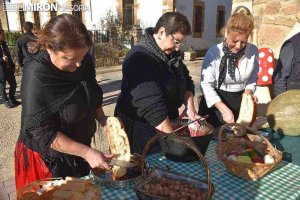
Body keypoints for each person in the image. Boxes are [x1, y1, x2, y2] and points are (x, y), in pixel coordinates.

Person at [14, 14, 111, 190]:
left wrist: (103, 119)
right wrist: (87, 153)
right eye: (70, 59)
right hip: (49, 159)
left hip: (78, 150)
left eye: (82, 58)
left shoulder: (83, 61)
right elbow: (41, 131)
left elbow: (91, 91)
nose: (79, 65)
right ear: (50, 48)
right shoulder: (36, 73)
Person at [114, 12, 198, 155]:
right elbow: (152, 108)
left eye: (181, 43)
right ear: (161, 32)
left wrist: (190, 107)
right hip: (141, 126)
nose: (178, 47)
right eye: (176, 41)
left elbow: (187, 81)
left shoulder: (171, 55)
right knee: (146, 166)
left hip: (164, 123)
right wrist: (173, 141)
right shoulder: (139, 58)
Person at [199, 8, 259, 128]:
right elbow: (206, 85)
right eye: (234, 41)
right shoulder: (214, 53)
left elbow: (253, 77)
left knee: (235, 141)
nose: (238, 46)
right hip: (215, 102)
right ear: (226, 33)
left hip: (239, 103)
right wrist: (223, 109)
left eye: (243, 42)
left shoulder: (252, 51)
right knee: (213, 140)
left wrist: (248, 92)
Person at [0, 28, 20, 108]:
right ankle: (6, 101)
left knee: (13, 84)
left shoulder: (4, 43)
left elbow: (9, 56)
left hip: (8, 68)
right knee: (2, 86)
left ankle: (12, 98)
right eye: (2, 34)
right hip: (1, 69)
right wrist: (1, 59)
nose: (4, 36)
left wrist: (13, 66)